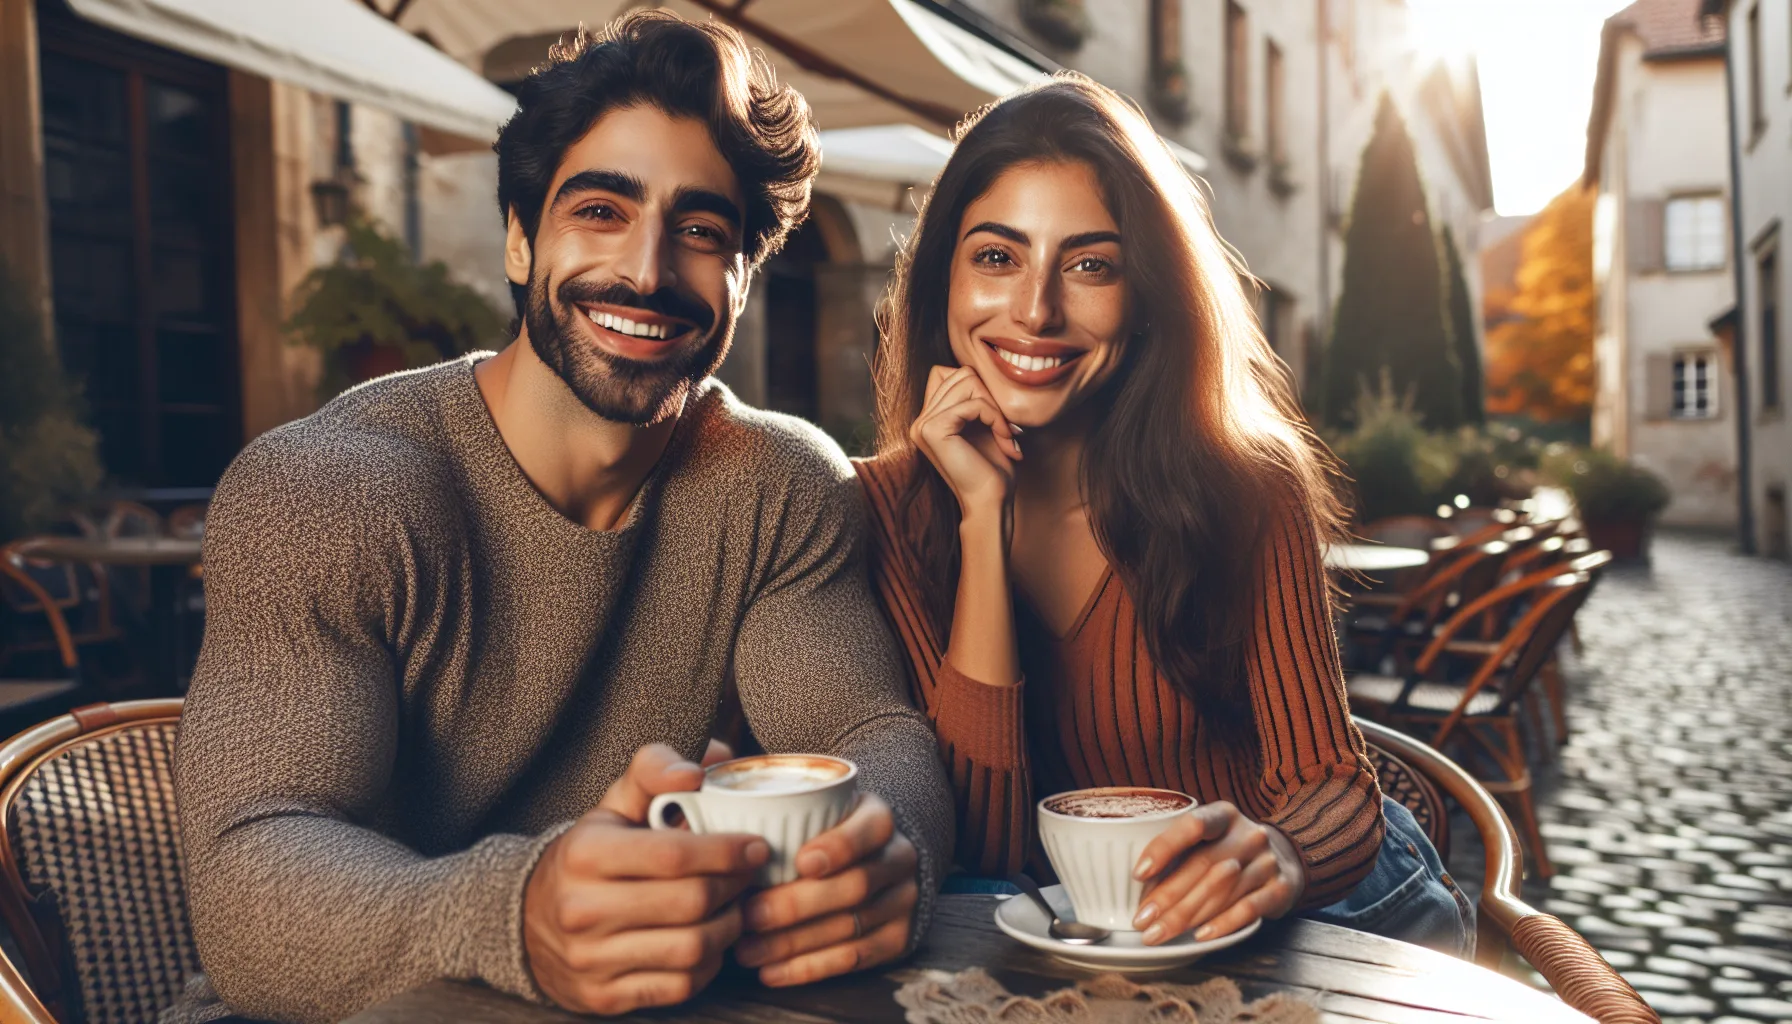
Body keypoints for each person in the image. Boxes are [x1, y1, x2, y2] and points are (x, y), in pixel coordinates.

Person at [172, 13, 952, 1023]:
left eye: (703, 230)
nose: (646, 269)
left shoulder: (776, 484)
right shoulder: (330, 490)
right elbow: (248, 888)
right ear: (517, 236)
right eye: (600, 209)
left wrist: (887, 854)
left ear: (745, 277)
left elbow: (869, 729)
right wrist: (516, 914)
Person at [854, 75, 1470, 955]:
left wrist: (1281, 855)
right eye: (997, 257)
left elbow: (1334, 782)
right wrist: (981, 525)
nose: (1035, 309)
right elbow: (984, 850)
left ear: (1144, 296)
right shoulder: (872, 509)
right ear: (940, 282)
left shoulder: (1246, 484)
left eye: (1090, 265)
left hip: (1281, 927)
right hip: (1067, 950)